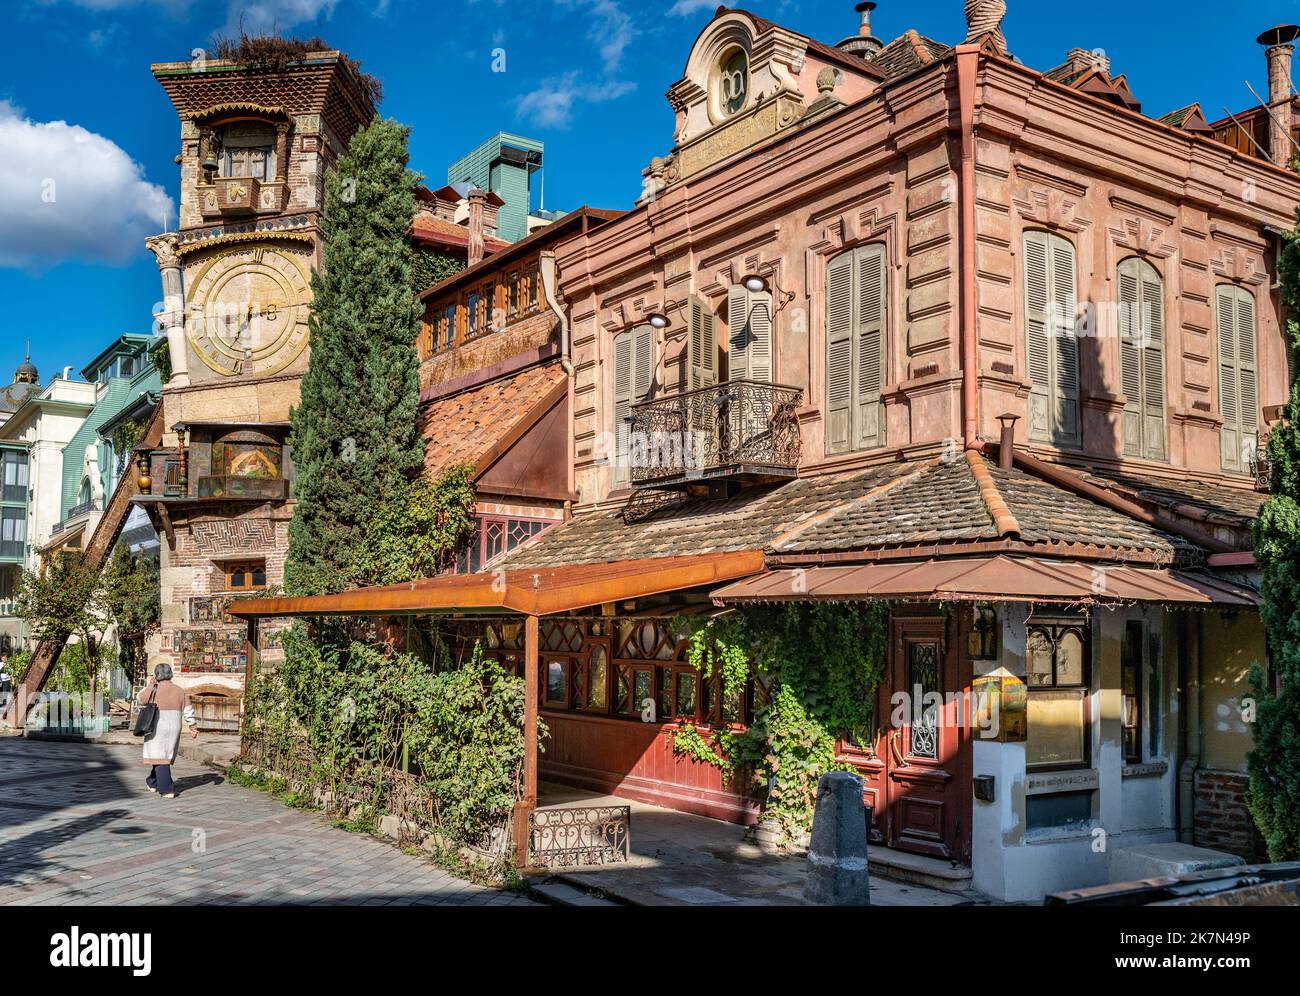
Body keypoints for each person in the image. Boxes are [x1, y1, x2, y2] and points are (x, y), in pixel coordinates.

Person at [137, 663, 198, 798]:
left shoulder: (154, 689)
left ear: (156, 675)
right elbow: (188, 711)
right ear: (170, 674)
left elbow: (139, 699)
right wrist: (192, 726)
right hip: (174, 727)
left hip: (156, 726)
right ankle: (151, 782)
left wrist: (150, 685)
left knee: (160, 756)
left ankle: (167, 789)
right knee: (162, 755)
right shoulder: (180, 691)